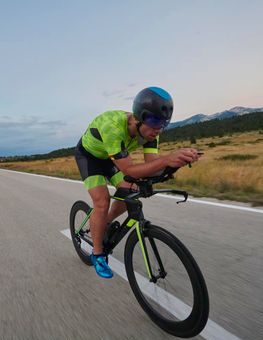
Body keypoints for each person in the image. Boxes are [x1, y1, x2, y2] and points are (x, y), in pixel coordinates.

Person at [74, 87, 200, 278]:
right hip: (89, 158)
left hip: (110, 158)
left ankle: (103, 223)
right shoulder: (113, 127)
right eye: (155, 122)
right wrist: (167, 159)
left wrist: (175, 164)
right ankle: (97, 254)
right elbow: (130, 170)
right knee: (102, 201)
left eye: (163, 124)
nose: (158, 129)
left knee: (130, 191)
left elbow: (152, 165)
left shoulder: (151, 132)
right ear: (139, 117)